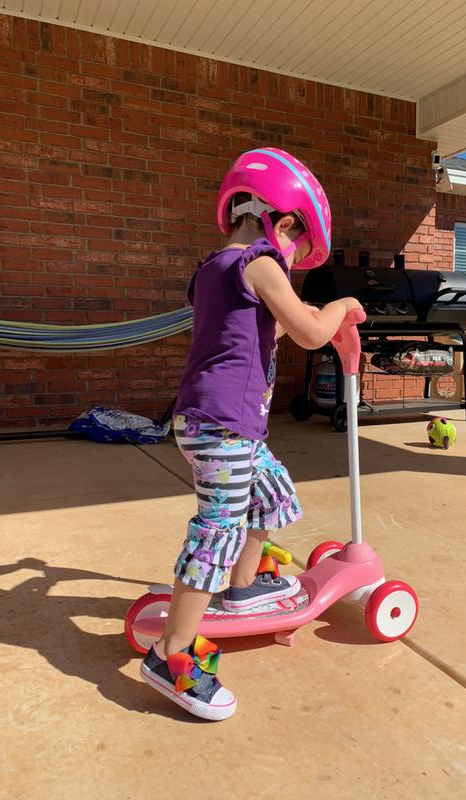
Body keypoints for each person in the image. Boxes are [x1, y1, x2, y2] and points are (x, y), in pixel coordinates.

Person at [140, 147, 362, 720]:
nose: (292, 261)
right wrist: (338, 308)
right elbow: (312, 331)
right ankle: (172, 657)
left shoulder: (212, 270)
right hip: (223, 429)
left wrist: (301, 319)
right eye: (297, 248)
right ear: (283, 222)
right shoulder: (260, 261)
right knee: (216, 530)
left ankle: (244, 585)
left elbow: (253, 336)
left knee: (272, 494)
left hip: (226, 427)